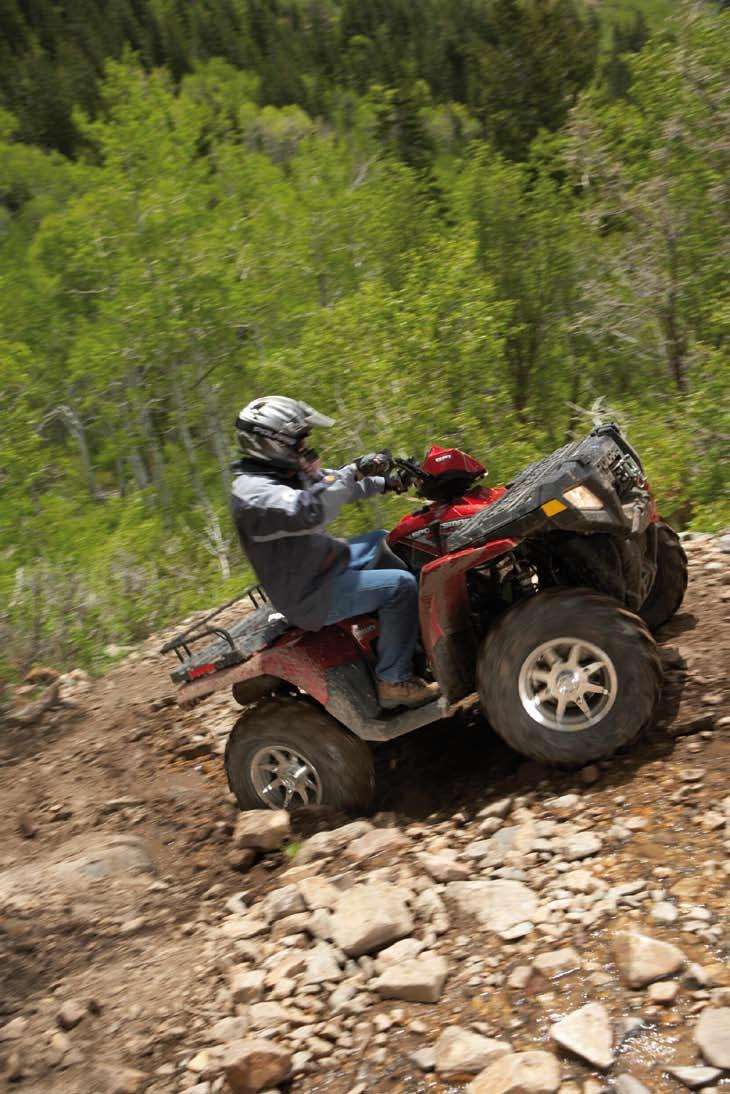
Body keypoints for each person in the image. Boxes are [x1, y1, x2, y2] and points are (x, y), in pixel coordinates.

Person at [230, 395, 440, 710]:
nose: (303, 448)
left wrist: (386, 481)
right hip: (310, 592)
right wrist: (354, 470)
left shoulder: (279, 472)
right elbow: (311, 508)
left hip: (324, 562)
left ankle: (423, 638)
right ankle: (394, 679)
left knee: (398, 540)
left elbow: (329, 482)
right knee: (400, 587)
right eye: (298, 442)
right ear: (270, 443)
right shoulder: (255, 495)